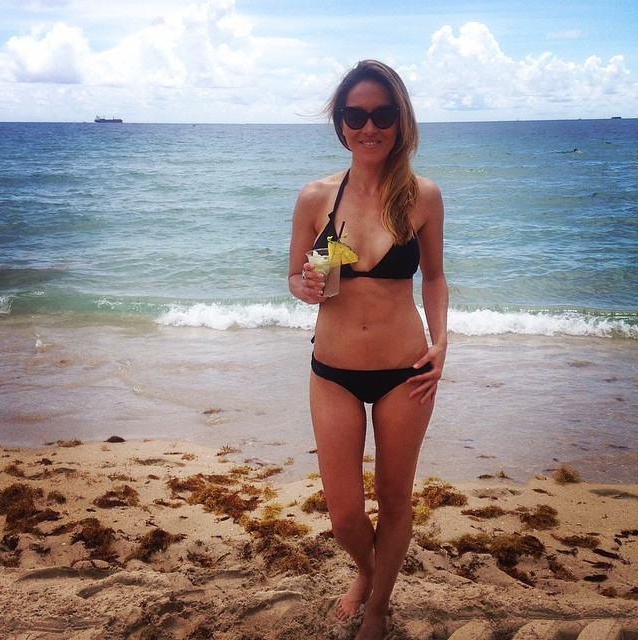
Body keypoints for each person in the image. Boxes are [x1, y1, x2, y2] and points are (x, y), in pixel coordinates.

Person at [288, 60, 448, 640]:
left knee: (395, 500)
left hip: (406, 373)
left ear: (400, 120)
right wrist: (305, 286)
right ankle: (366, 569)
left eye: (382, 114)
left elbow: (434, 278)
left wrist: (442, 342)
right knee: (345, 516)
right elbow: (296, 277)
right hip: (332, 372)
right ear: (341, 122)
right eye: (355, 115)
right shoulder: (316, 197)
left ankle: (378, 606)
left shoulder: (422, 196)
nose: (368, 127)